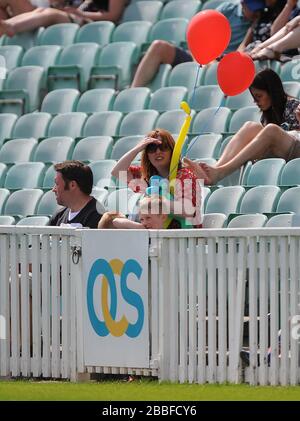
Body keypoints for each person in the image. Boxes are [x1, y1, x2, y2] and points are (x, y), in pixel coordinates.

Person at [183, 68, 300, 185]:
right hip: (279, 150)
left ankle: (220, 173)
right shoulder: (267, 113)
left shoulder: (294, 105)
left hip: (296, 149)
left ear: (272, 92)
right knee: (250, 126)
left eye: (259, 96)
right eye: (254, 97)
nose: (255, 101)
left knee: (271, 129)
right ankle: (215, 169)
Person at [131, 0, 264, 88]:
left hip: (224, 64)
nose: (256, 13)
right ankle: (133, 90)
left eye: (258, 8)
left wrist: (252, 28)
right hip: (202, 57)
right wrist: (200, 59)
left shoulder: (260, 21)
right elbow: (200, 32)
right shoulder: (228, 9)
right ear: (242, 3)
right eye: (252, 8)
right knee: (158, 46)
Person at [111, 128, 202, 228]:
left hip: (184, 237)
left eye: (163, 147)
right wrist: (137, 148)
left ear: (172, 151)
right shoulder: (146, 175)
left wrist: (157, 201)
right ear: (147, 154)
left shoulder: (185, 175)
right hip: (155, 235)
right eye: (152, 148)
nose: (158, 151)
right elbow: (116, 172)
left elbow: (189, 211)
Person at [0, 0, 127, 37]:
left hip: (89, 24)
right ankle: (8, 24)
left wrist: (81, 14)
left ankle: (12, 27)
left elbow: (113, 15)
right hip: (76, 17)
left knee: (51, 13)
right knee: (41, 11)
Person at [49, 160, 103, 228]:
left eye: (57, 184)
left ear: (72, 185)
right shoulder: (58, 216)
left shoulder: (98, 216)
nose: (53, 190)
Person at [98, 195, 169, 229]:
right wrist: (139, 227)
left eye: (148, 218)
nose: (144, 223)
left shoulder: (171, 236)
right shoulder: (141, 232)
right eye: (142, 219)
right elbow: (115, 221)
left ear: (163, 217)